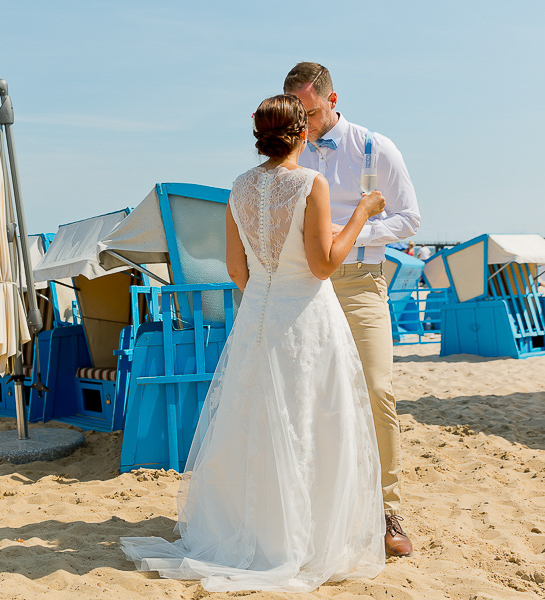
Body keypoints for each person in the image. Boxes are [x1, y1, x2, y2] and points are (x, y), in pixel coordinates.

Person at [120, 95, 387, 593]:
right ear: (303, 133)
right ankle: (302, 542)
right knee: (311, 420)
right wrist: (364, 215)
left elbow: (237, 270)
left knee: (255, 422)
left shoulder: (239, 188)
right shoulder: (312, 182)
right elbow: (324, 264)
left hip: (257, 317)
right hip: (306, 316)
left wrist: (268, 289)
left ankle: (260, 531)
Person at [284, 62, 420, 557]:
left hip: (361, 283)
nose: (307, 123)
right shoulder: (289, 149)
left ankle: (388, 508)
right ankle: (315, 506)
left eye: (313, 112)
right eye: (299, 114)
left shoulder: (375, 148)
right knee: (307, 395)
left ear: (333, 98)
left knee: (377, 389)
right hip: (303, 285)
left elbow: (409, 218)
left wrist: (352, 235)